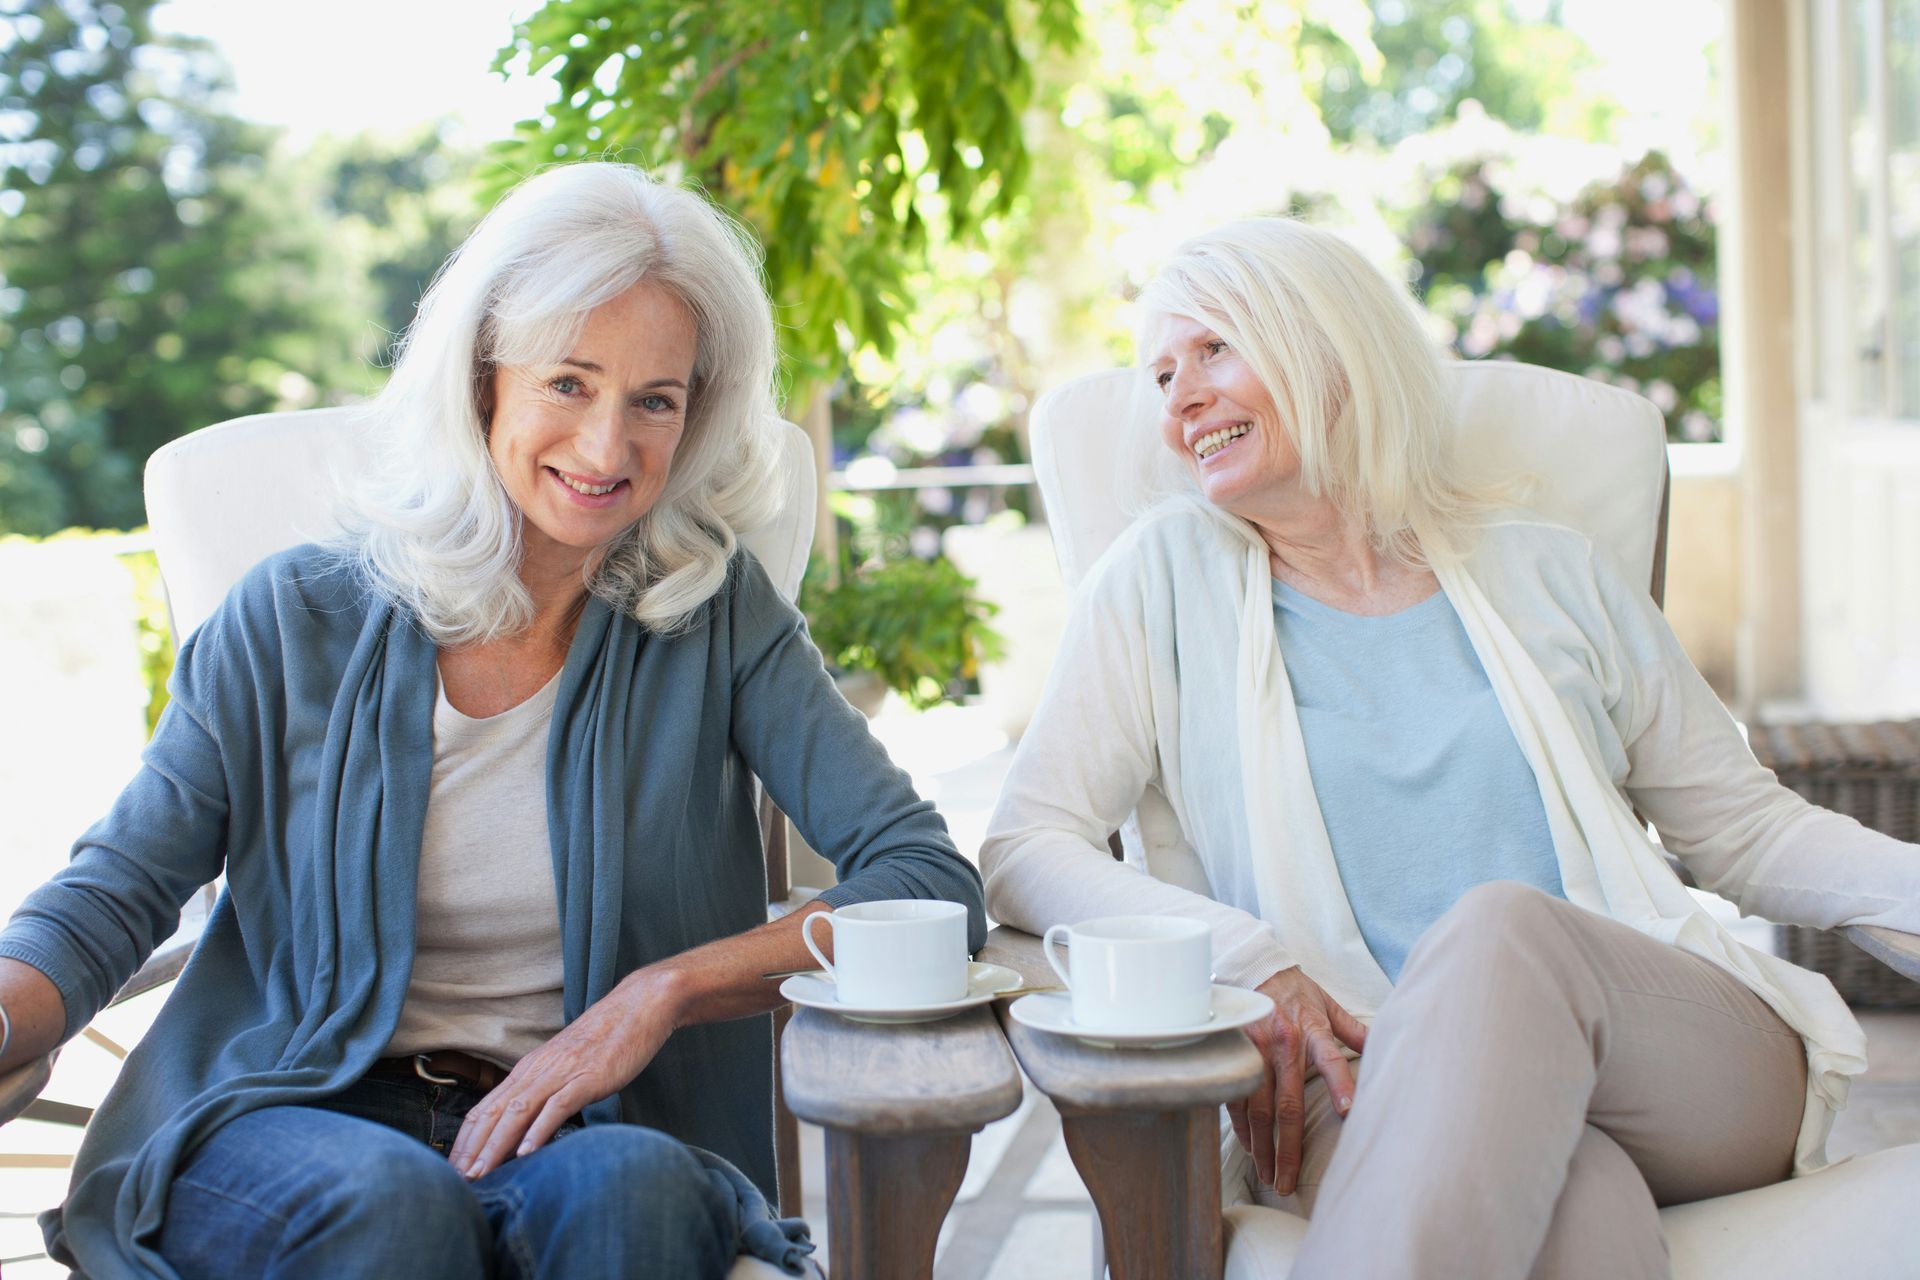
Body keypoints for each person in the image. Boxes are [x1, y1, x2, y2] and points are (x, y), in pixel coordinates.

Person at [0, 160, 986, 1280]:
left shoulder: (716, 623)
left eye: (653, 400)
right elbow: (118, 888)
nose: (607, 449)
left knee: (646, 1192)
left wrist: (660, 993)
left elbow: (927, 880)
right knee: (391, 1207)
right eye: (568, 382)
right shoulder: (292, 615)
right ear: (483, 382)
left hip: (575, 1127)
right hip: (291, 1116)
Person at [980, 218, 1920, 1277]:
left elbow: (1747, 829)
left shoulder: (1552, 571)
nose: (1179, 399)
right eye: (1160, 375)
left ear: (1327, 345)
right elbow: (1024, 843)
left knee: (1501, 931)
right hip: (1367, 1080)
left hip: (1676, 1058)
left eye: (1212, 351)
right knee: (1579, 1214)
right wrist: (1246, 960)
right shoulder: (1158, 583)